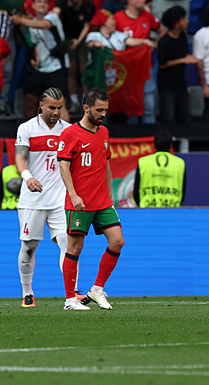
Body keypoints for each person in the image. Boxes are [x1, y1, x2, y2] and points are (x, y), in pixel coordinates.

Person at [6, 88, 72, 307]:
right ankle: (27, 293)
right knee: (28, 247)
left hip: (60, 199)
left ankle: (71, 295)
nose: (56, 112)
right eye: (52, 107)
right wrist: (28, 177)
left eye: (59, 108)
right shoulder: (27, 128)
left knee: (67, 244)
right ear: (41, 105)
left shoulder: (70, 131)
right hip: (33, 199)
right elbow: (19, 157)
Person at [58, 88, 123, 311]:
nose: (103, 114)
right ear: (86, 108)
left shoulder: (104, 132)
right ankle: (69, 299)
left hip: (102, 201)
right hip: (80, 202)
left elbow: (105, 163)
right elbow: (63, 165)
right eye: (99, 110)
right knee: (75, 248)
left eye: (105, 110)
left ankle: (97, 289)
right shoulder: (70, 134)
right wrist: (73, 194)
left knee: (117, 241)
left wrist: (110, 193)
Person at [12, 0, 70, 121]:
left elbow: (43, 25)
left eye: (45, 2)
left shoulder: (52, 17)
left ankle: (66, 137)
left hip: (57, 67)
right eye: (39, 1)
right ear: (33, 5)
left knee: (59, 103)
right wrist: (36, 59)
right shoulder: (31, 23)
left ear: (48, 6)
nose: (42, 4)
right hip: (40, 68)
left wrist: (20, 20)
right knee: (30, 99)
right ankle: (27, 135)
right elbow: (36, 43)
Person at [158, 6, 196, 124]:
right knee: (168, 115)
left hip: (180, 82)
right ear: (176, 23)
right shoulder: (164, 41)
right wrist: (183, 60)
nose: (187, 21)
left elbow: (185, 54)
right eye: (183, 19)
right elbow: (162, 64)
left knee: (185, 115)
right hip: (167, 84)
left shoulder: (182, 36)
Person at [133, 131, 186, 208]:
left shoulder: (143, 162)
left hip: (147, 210)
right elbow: (183, 190)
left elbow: (136, 190)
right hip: (173, 210)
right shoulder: (180, 163)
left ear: (154, 144)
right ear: (171, 145)